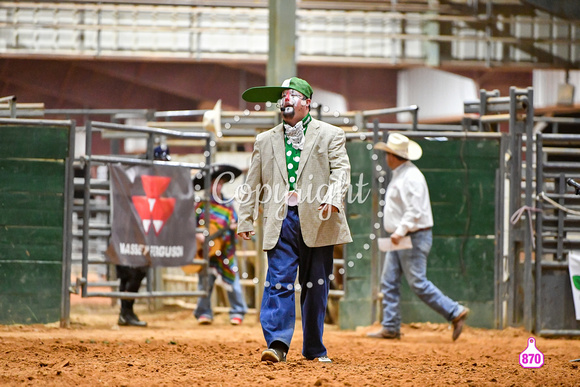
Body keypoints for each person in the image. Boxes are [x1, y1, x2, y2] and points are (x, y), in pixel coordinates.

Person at [237, 77, 352, 363]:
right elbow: (252, 184)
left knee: (316, 286)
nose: (285, 99)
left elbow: (341, 170)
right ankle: (277, 344)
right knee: (277, 281)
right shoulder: (264, 140)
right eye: (283, 96)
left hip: (318, 218)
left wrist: (334, 198)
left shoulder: (330, 134)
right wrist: (246, 219)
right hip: (281, 221)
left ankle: (314, 348)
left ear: (307, 102)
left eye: (292, 95)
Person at [367, 133, 469, 341]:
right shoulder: (403, 174)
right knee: (389, 281)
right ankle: (391, 326)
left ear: (394, 156)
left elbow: (415, 211)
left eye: (388, 153)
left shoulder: (410, 177)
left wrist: (400, 231)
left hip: (410, 237)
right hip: (404, 237)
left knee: (417, 283)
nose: (386, 157)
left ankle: (454, 311)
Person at [116, 144, 171, 327]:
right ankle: (126, 312)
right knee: (133, 271)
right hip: (130, 226)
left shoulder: (144, 176)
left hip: (135, 226)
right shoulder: (140, 175)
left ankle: (126, 312)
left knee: (134, 271)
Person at [190, 164, 248, 326]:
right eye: (215, 183)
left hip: (225, 250)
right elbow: (191, 225)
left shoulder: (228, 205)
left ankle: (237, 311)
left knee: (233, 281)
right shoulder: (200, 206)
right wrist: (198, 234)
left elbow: (235, 222)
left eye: (221, 183)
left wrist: (235, 227)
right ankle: (204, 312)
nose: (218, 187)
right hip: (206, 251)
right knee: (205, 282)